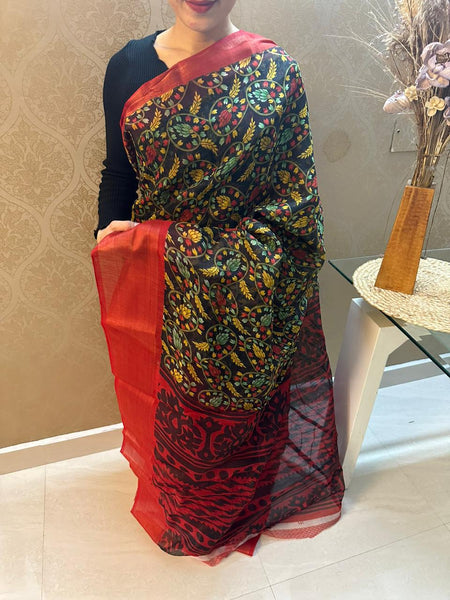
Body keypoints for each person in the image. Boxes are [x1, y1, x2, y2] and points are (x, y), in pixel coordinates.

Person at [92, 0, 344, 566]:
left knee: (250, 406)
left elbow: (296, 200)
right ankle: (191, 513)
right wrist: (113, 237)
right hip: (165, 282)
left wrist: (229, 259)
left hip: (252, 288)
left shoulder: (276, 73)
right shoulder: (129, 67)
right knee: (177, 411)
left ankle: (245, 503)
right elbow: (120, 171)